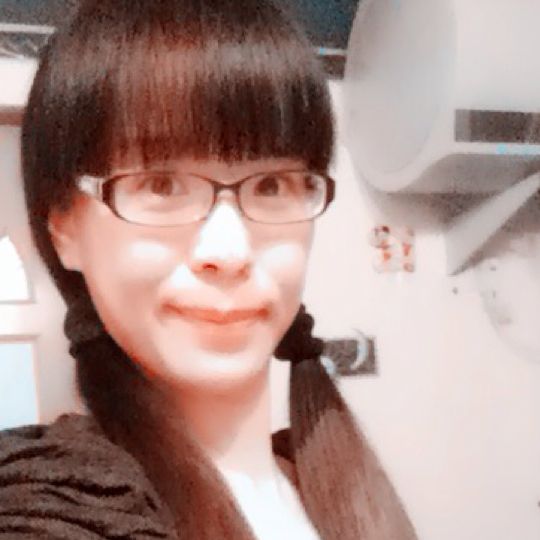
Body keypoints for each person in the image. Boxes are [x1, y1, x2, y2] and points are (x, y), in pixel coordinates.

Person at [0, 1, 417, 538]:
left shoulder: (331, 488)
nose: (230, 251)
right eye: (162, 185)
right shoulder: (60, 502)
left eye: (271, 184)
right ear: (64, 229)